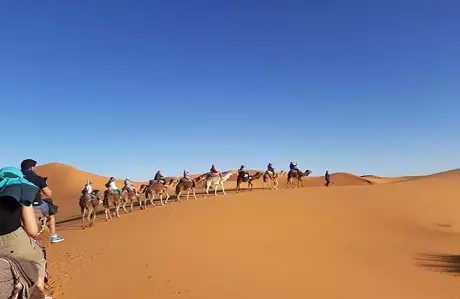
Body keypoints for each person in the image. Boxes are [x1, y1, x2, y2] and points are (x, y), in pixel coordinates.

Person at [0, 166, 51, 298]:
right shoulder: (21, 190)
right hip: (12, 240)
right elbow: (32, 230)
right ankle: (38, 293)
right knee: (39, 257)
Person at [21, 159, 64, 244]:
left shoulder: (17, 178)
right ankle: (53, 235)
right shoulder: (38, 178)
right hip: (36, 204)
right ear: (32, 168)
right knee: (51, 213)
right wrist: (43, 184)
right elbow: (48, 194)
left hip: (18, 204)